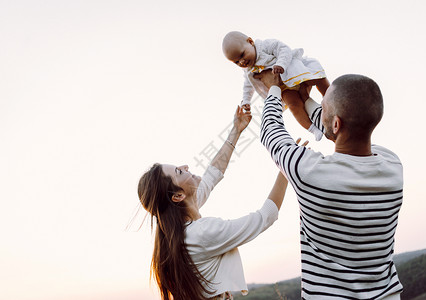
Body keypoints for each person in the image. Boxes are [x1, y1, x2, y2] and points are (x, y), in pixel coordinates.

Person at [254, 70, 403, 299]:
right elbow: (340, 129)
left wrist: (274, 89)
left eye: (323, 108)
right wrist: (307, 100)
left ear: (335, 123)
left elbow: (270, 131)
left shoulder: (308, 173)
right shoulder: (393, 167)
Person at [137, 106, 303, 300]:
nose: (185, 166)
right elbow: (265, 217)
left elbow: (213, 173)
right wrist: (286, 167)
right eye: (179, 172)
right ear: (178, 196)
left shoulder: (183, 228)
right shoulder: (201, 232)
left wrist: (237, 130)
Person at [222, 30, 330, 141]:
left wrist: (280, 64)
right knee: (294, 105)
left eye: (242, 55)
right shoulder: (248, 71)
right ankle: (313, 129)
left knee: (317, 78)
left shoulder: (265, 46)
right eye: (236, 62)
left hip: (293, 72)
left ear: (250, 42)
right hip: (284, 87)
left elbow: (284, 49)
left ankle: (330, 97)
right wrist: (246, 101)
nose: (242, 62)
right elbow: (247, 86)